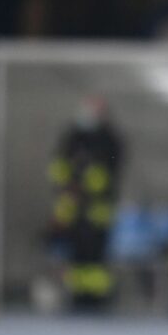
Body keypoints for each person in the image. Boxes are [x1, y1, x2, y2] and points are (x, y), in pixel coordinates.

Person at [46, 96, 125, 310]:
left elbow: (108, 174)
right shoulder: (73, 136)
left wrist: (83, 187)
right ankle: (77, 296)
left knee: (95, 256)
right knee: (75, 255)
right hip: (72, 210)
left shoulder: (109, 139)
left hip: (97, 211)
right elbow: (59, 166)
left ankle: (96, 299)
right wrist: (68, 186)